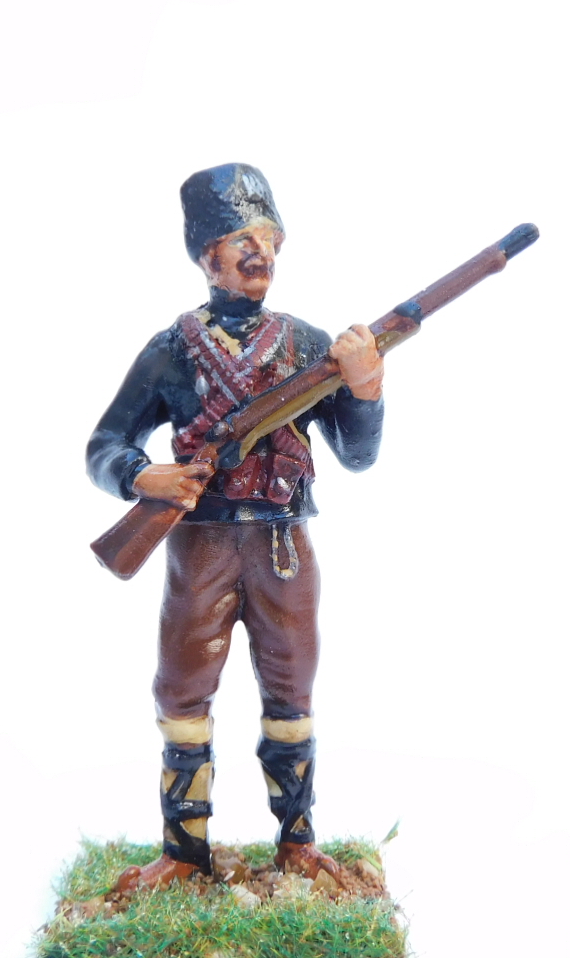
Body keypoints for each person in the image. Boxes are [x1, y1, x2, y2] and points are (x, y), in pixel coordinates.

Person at [86, 163, 386, 895]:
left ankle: (298, 845)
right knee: (182, 691)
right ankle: (184, 854)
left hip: (283, 543)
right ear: (206, 254)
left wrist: (365, 387)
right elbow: (105, 445)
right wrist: (143, 477)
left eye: (269, 238)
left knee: (292, 689)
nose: (260, 252)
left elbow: (356, 455)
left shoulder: (307, 344)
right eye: (240, 238)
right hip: (201, 543)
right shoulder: (172, 348)